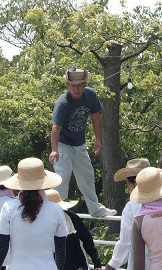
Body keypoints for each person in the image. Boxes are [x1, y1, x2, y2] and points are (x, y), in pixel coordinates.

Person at [49, 66, 116, 218]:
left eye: (80, 85)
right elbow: (56, 128)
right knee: (62, 176)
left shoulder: (91, 95)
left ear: (85, 84)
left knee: (87, 175)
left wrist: (98, 139)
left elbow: (95, 116)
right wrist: (54, 150)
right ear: (67, 85)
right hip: (63, 144)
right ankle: (57, 212)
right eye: (73, 86)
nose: (77, 89)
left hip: (79, 144)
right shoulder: (63, 103)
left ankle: (96, 209)